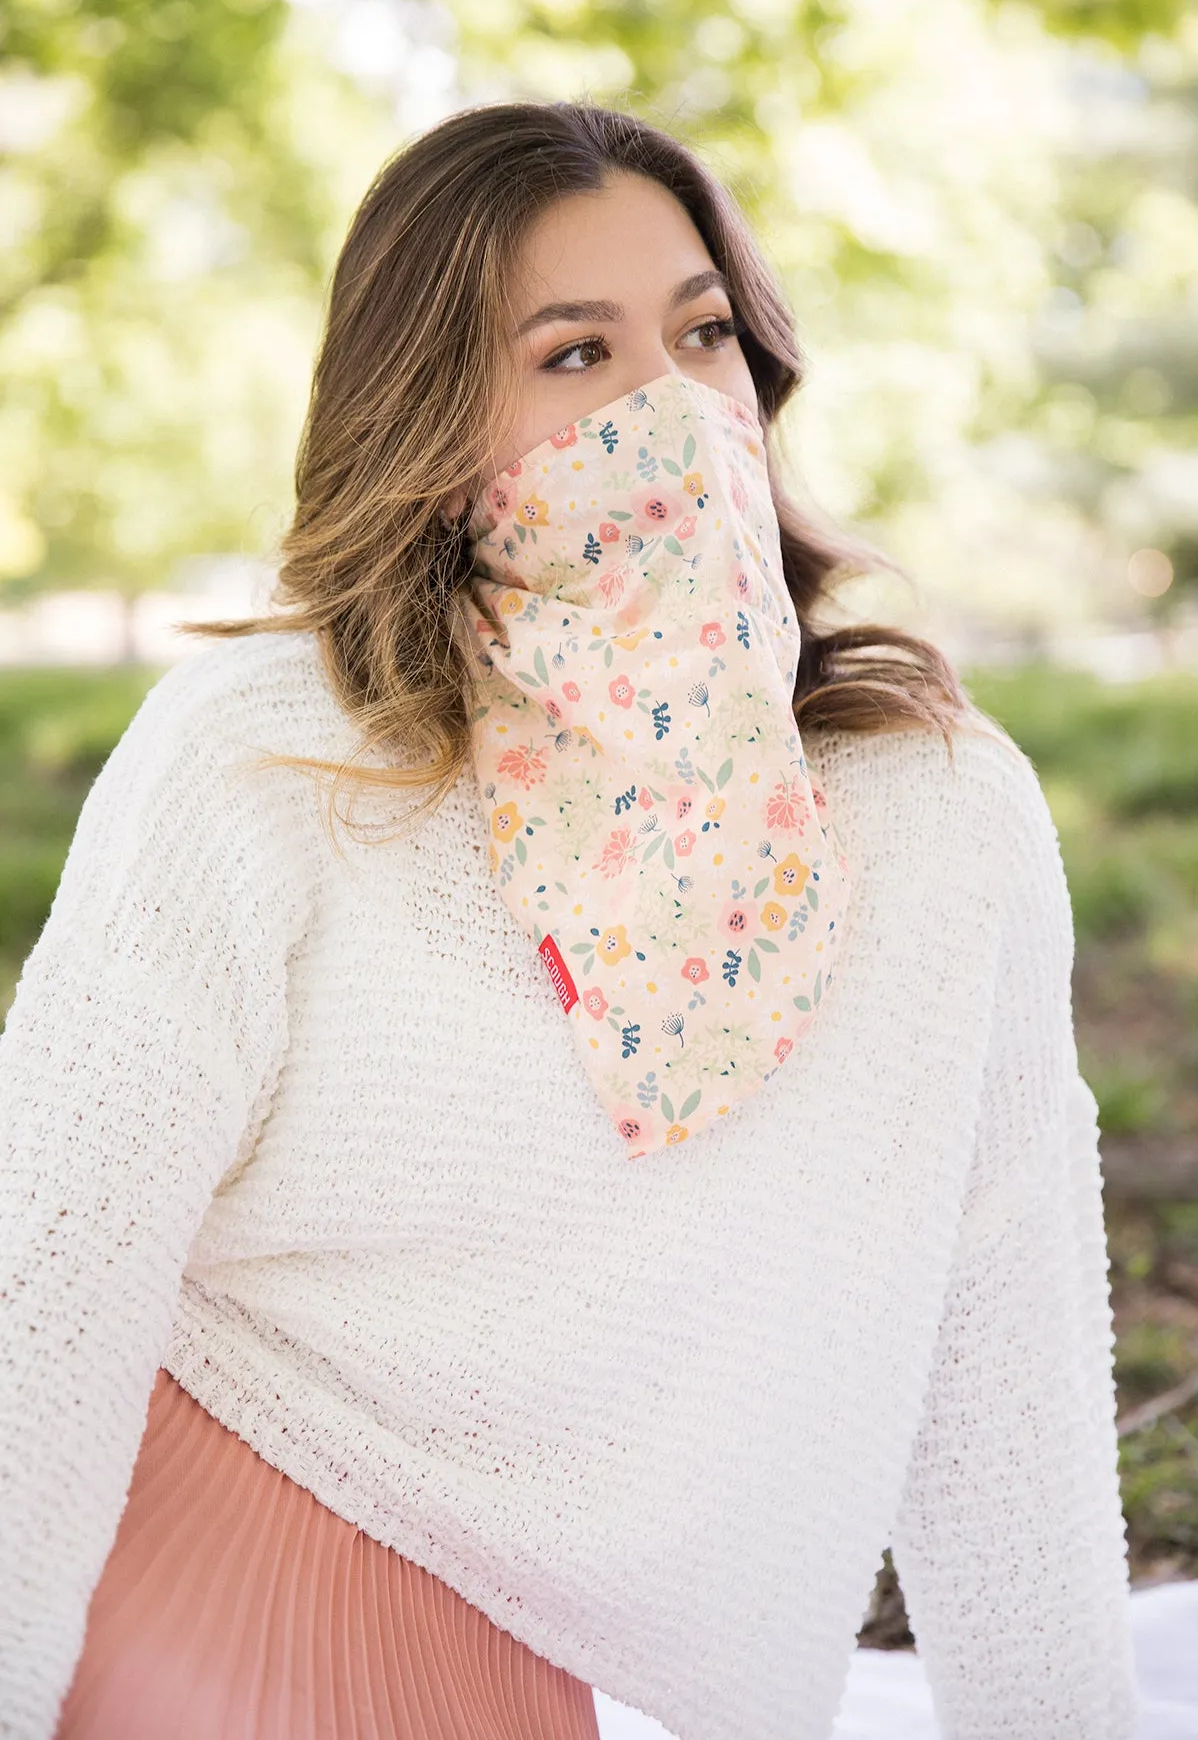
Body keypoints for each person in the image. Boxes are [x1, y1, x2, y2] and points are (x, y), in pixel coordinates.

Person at [0, 98, 1139, 1740]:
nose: (666, 410)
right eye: (572, 357)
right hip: (214, 1537)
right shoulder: (261, 756)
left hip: (603, 1678)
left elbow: (1005, 1346)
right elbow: (47, 1282)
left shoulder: (943, 816)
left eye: (701, 337)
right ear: (431, 421)